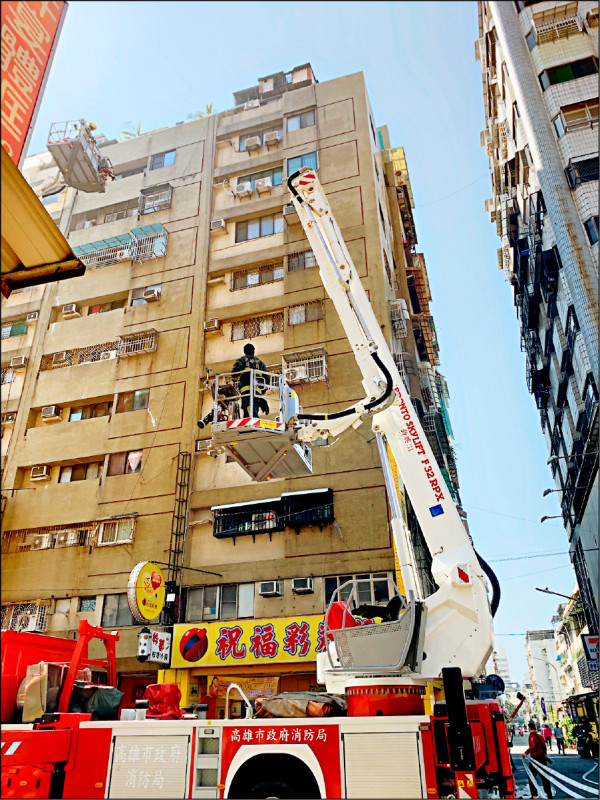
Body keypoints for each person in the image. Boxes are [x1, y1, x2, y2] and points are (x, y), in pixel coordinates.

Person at [232, 343, 268, 417]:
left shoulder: (242, 360)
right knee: (255, 405)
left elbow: (235, 372)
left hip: (246, 389)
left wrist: (234, 379)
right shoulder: (260, 363)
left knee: (248, 407)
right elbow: (266, 377)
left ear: (244, 351)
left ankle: (251, 419)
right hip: (257, 390)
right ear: (253, 351)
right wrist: (264, 389)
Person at [524, 720, 552, 798]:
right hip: (543, 758)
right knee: (544, 777)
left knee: (531, 777)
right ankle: (549, 793)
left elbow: (532, 747)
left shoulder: (532, 736)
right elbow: (544, 746)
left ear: (529, 728)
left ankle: (534, 794)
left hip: (535, 759)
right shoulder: (539, 736)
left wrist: (525, 753)